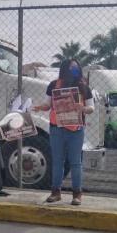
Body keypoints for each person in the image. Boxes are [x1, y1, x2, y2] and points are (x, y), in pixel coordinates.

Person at [32, 59, 94, 205]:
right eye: (71, 68)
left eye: (76, 68)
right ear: (64, 69)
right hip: (56, 128)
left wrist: (83, 108)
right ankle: (55, 192)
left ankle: (77, 194)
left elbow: (91, 107)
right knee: (57, 161)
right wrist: (41, 107)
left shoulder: (84, 87)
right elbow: (48, 104)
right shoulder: (54, 85)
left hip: (76, 129)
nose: (74, 70)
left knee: (75, 162)